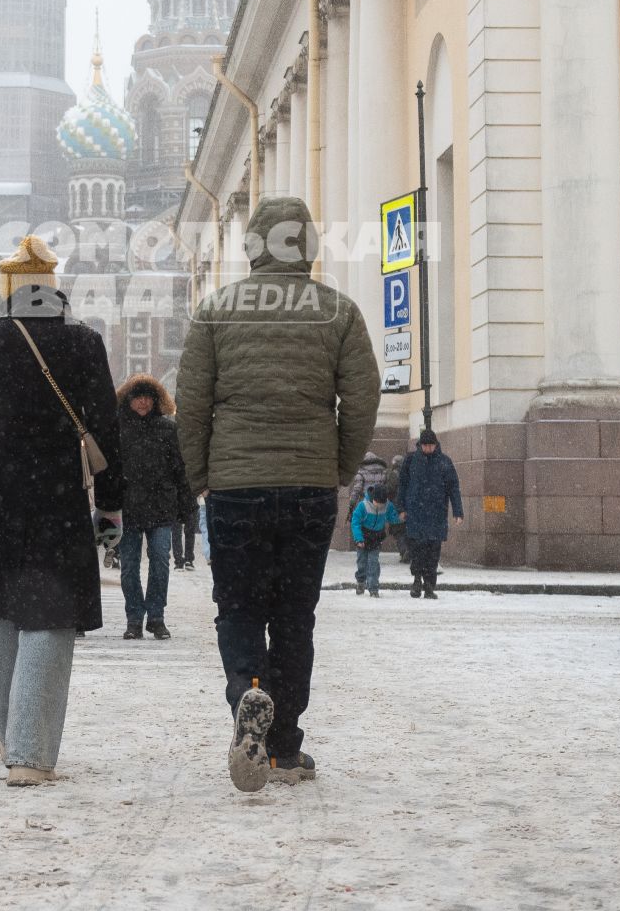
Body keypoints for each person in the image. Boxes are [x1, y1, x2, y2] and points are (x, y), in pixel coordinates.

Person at [177, 196, 380, 793]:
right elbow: (363, 399)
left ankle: (248, 693)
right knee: (294, 617)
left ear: (253, 245)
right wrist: (339, 464)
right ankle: (285, 749)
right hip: (309, 486)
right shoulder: (337, 311)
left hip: (236, 488)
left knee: (238, 607)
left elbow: (192, 406)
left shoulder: (216, 310)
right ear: (308, 246)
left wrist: (202, 478)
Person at [0, 234, 123, 787]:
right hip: (56, 492)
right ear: (55, 286)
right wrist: (111, 507)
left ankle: (0, 723)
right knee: (50, 613)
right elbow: (106, 430)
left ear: (6, 287)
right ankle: (31, 752)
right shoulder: (83, 341)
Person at [114, 374, 194, 641]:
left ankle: (156, 617)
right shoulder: (117, 429)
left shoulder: (168, 430)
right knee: (129, 566)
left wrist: (185, 505)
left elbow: (179, 470)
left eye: (148, 398)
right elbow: (108, 473)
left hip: (161, 507)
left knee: (161, 561)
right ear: (129, 400)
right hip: (128, 507)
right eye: (138, 397)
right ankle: (134, 618)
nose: (143, 403)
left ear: (156, 400)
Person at [397, 428, 463, 599]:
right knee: (417, 550)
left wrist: (458, 511)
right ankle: (417, 581)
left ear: (435, 445)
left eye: (430, 446)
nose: (428, 449)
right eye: (425, 446)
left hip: (436, 514)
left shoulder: (444, 462)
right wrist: (401, 508)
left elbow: (453, 487)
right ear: (420, 445)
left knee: (433, 553)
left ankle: (429, 586)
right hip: (416, 513)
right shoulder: (411, 460)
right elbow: (402, 485)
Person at [349, 482, 399, 597]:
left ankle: (373, 588)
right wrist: (359, 539)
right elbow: (355, 523)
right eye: (378, 503)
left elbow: (392, 517)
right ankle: (361, 581)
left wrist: (399, 518)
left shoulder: (387, 505)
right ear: (373, 498)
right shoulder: (363, 505)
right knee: (362, 562)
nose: (380, 506)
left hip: (376, 537)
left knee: (373, 563)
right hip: (363, 537)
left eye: (383, 503)